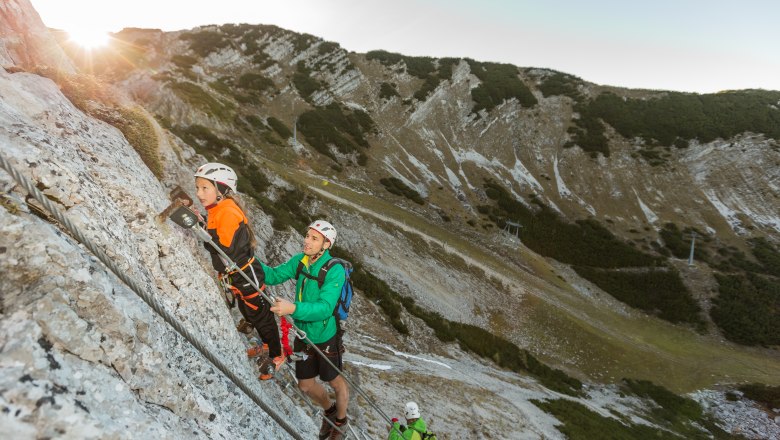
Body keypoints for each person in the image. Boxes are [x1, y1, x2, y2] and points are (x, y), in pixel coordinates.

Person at [193, 162, 284, 380]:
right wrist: (202, 223)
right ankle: (264, 345)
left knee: (260, 314)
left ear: (221, 190)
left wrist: (202, 232)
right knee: (247, 309)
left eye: (205, 188)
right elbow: (220, 239)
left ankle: (276, 355)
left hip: (245, 273)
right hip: (236, 274)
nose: (199, 193)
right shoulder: (217, 209)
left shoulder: (227, 212)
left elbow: (223, 249)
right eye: (198, 187)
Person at [268, 220, 350, 440]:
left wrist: (292, 308)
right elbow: (274, 275)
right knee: (305, 386)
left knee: (335, 382)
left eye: (314, 238)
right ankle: (330, 411)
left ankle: (341, 421)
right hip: (303, 334)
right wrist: (248, 261)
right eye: (307, 236)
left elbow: (325, 308)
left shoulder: (335, 270)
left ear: (326, 245)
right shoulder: (301, 261)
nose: (306, 241)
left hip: (325, 337)